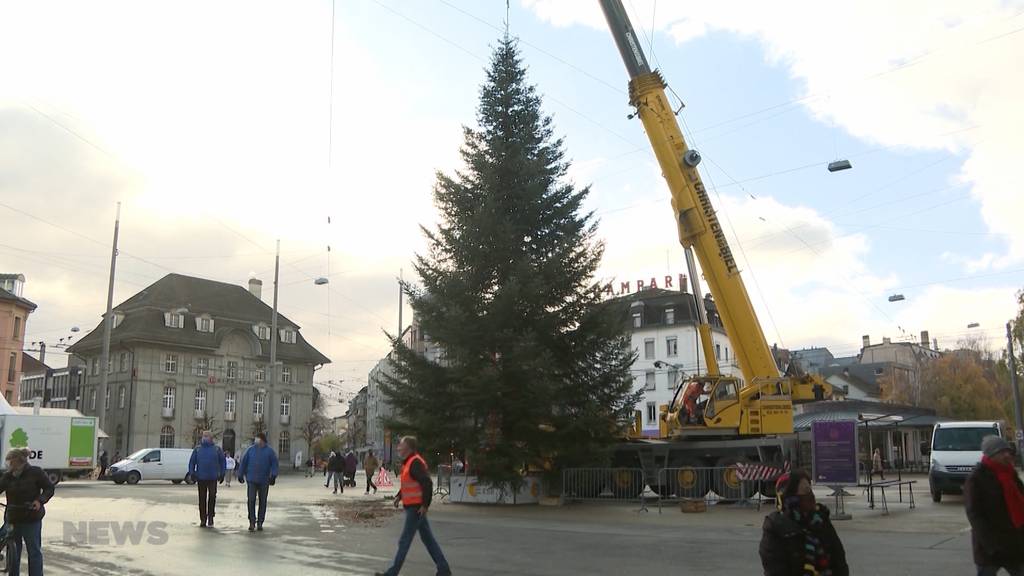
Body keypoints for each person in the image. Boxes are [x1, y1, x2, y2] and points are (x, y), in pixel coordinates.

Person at [375, 436, 451, 576]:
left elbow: (427, 483)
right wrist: (399, 496)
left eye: (401, 445)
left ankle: (391, 573)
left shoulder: (415, 462)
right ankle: (444, 569)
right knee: (428, 539)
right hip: (414, 507)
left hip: (416, 508)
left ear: (408, 447)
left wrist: (425, 505)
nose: (398, 447)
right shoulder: (409, 462)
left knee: (405, 541)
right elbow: (409, 483)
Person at [760, 469, 848, 576]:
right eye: (805, 491)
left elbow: (839, 559)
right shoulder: (775, 527)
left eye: (810, 490)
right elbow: (775, 570)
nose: (810, 495)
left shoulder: (820, 519)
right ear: (791, 496)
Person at [965, 435, 1024, 576]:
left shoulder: (1011, 474)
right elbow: (975, 514)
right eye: (1002, 452)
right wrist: (991, 546)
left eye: (1008, 451)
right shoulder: (977, 478)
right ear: (991, 455)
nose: (1007, 455)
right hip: (991, 547)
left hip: (1014, 543)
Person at [0, 447, 55, 576]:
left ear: (18, 461)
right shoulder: (8, 476)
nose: (8, 464)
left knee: (34, 551)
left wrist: (39, 501)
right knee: (13, 551)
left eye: (10, 461)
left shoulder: (35, 472)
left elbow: (49, 488)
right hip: (12, 516)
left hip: (31, 517)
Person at [236, 432, 279, 532]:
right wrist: (240, 474)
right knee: (251, 500)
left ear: (262, 440)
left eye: (258, 439)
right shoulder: (250, 450)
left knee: (262, 501)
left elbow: (274, 464)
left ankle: (260, 522)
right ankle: (252, 521)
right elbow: (243, 462)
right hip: (251, 480)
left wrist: (273, 476)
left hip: (264, 480)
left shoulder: (270, 451)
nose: (256, 440)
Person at [188, 430, 226, 528]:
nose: (204, 437)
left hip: (213, 478)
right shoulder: (197, 449)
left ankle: (211, 517)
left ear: (211, 438)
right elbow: (192, 462)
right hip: (201, 477)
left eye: (206, 436)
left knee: (212, 497)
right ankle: (203, 519)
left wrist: (222, 474)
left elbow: (222, 462)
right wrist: (192, 473)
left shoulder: (217, 449)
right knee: (202, 499)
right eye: (203, 436)